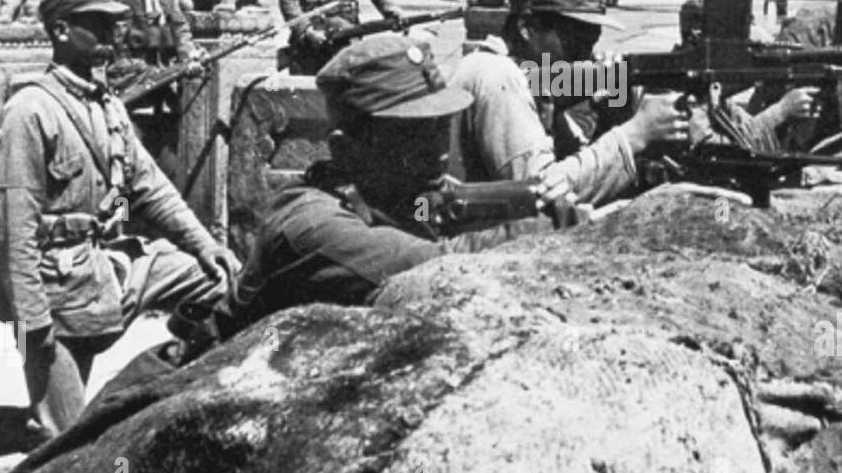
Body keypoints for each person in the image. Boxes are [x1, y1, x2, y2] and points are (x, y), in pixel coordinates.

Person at [0, 0, 239, 436]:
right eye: (97, 24)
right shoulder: (31, 111)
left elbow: (149, 186)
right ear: (61, 31)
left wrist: (205, 245)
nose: (112, 34)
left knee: (223, 280)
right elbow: (11, 228)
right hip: (55, 289)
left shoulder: (108, 105)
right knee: (67, 442)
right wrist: (32, 320)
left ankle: (174, 392)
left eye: (114, 23)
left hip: (108, 267)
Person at [198, 34, 572, 344]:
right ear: (347, 149)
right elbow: (439, 267)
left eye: (442, 127)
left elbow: (447, 208)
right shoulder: (313, 226)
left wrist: (535, 196)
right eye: (413, 135)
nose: (439, 150)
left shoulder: (392, 192)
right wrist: (554, 222)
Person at [450, 0, 691, 206]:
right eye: (576, 38)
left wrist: (612, 117)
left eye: (593, 38)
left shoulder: (533, 84)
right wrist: (635, 134)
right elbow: (541, 194)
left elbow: (569, 165)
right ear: (527, 27)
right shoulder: (496, 74)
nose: (587, 55)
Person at [676, 0, 820, 154]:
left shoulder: (708, 86)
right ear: (698, 34)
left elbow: (745, 128)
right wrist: (782, 110)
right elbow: (717, 152)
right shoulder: (679, 86)